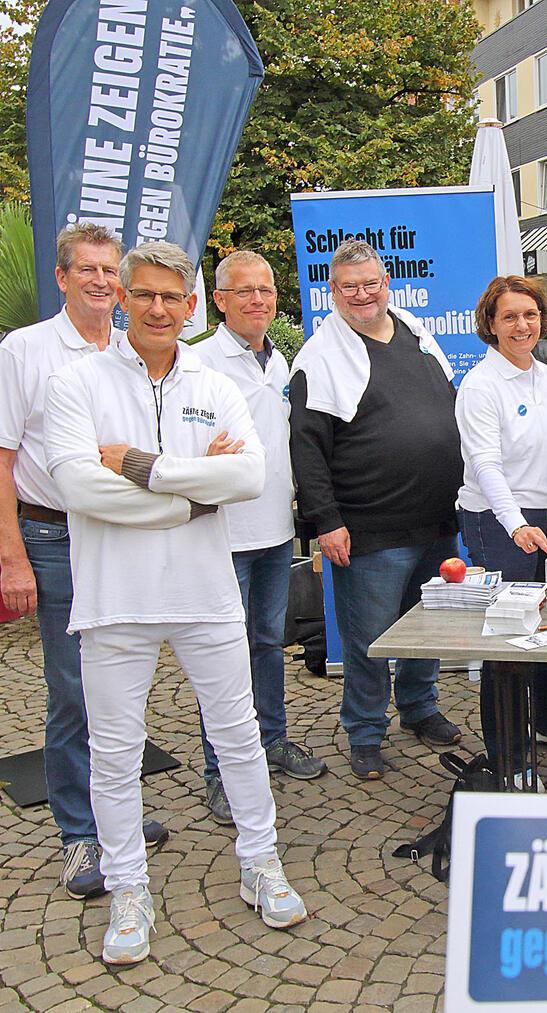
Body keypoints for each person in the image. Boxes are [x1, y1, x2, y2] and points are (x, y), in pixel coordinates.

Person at [43, 241, 307, 965]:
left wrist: (138, 466)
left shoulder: (214, 382)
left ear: (191, 306)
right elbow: (76, 488)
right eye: (146, 294)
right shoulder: (77, 383)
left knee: (239, 735)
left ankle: (261, 860)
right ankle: (129, 885)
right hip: (114, 597)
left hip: (204, 593)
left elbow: (250, 475)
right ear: (123, 298)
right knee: (115, 755)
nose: (160, 308)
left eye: (172, 297)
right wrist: (190, 496)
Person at [0, 222, 168, 900]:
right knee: (73, 690)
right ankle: (77, 834)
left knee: (123, 681)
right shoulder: (27, 350)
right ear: (63, 277)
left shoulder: (134, 349)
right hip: (56, 537)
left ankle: (116, 819)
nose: (101, 281)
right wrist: (11, 555)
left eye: (110, 272)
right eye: (88, 270)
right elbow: (4, 457)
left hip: (126, 533)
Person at [290, 239, 465, 780]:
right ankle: (365, 731)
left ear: (386, 282)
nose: (362, 295)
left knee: (426, 626)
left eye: (371, 283)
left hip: (436, 517)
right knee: (369, 641)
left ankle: (419, 707)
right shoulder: (319, 357)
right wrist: (328, 521)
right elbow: (307, 448)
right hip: (368, 527)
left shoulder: (414, 330)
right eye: (349, 287)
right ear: (333, 292)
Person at [194, 250, 326, 824]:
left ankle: (271, 740)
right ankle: (218, 771)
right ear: (219, 301)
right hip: (221, 537)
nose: (257, 300)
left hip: (275, 532)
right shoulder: (198, 363)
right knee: (221, 656)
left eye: (266, 290)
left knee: (269, 644)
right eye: (243, 291)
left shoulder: (280, 363)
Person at [456, 276, 547, 787]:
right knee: (510, 636)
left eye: (530, 314)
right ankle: (510, 756)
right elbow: (486, 465)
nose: (522, 325)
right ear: (490, 324)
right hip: (498, 521)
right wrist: (516, 525)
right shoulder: (481, 386)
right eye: (509, 316)